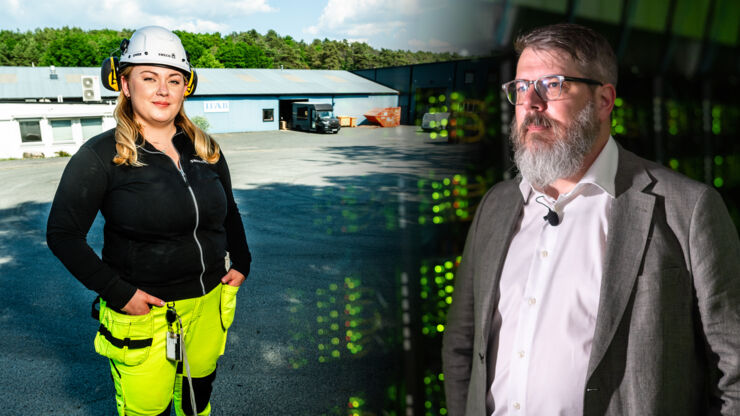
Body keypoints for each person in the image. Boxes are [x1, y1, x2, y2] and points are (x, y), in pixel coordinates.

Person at [442, 23, 740, 416]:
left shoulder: (688, 208)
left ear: (604, 100)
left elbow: (734, 368)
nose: (531, 103)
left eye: (552, 85)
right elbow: (462, 345)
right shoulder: (496, 207)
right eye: (520, 88)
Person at [47, 26, 251, 416]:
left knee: (197, 396)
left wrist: (241, 260)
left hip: (208, 305)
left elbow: (229, 210)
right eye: (149, 77)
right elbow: (63, 235)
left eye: (173, 80)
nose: (163, 90)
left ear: (184, 88)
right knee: (148, 409)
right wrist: (118, 292)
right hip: (144, 313)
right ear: (125, 84)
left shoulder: (205, 148)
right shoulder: (101, 155)